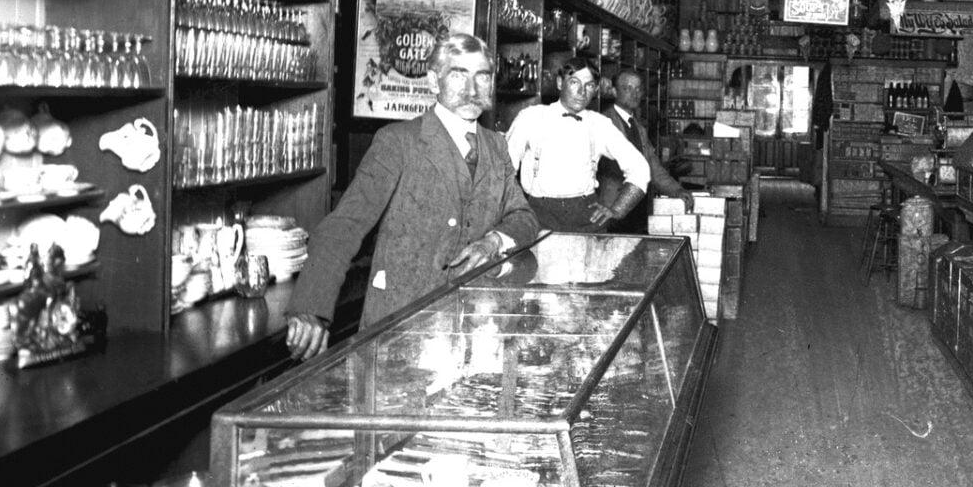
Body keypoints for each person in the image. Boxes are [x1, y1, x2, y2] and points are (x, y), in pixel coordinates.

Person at [285, 34, 538, 361]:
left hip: (475, 332)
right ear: (434, 80)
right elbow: (344, 226)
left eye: (483, 76)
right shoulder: (398, 142)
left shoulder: (496, 146)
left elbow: (524, 217)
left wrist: (492, 241)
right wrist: (310, 307)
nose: (472, 89)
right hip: (400, 332)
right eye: (458, 74)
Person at [507, 55, 650, 232]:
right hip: (539, 217)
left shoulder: (599, 124)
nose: (582, 91)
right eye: (574, 82)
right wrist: (518, 209)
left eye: (589, 85)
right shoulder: (531, 117)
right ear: (560, 83)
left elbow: (640, 169)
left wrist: (617, 210)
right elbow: (503, 172)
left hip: (586, 217)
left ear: (596, 89)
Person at [598, 67, 692, 233]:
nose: (634, 94)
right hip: (610, 209)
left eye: (638, 89)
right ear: (614, 91)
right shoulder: (604, 122)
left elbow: (653, 167)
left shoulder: (639, 127)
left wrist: (676, 190)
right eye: (627, 88)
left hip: (636, 210)